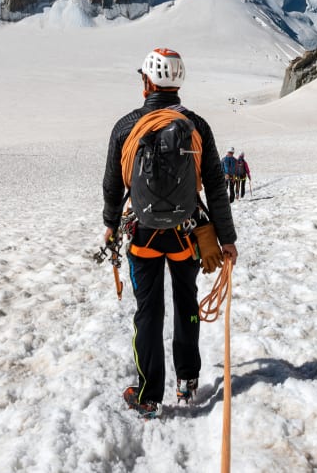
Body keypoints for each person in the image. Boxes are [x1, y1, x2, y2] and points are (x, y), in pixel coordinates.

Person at [101, 47, 238, 418]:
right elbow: (214, 184)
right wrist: (227, 239)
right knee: (185, 302)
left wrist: (111, 225)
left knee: (148, 310)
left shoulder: (127, 126)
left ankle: (147, 394)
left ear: (147, 81)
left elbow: (113, 186)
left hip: (143, 234)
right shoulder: (196, 126)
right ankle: (188, 379)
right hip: (185, 234)